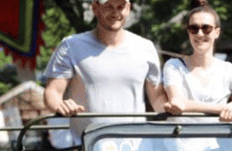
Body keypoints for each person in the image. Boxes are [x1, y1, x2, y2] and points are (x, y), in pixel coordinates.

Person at [43, 0, 166, 142]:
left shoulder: (146, 48)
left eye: (121, 6)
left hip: (136, 150)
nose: (115, 12)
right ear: (95, 8)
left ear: (128, 9)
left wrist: (178, 105)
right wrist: (60, 105)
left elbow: (157, 98)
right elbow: (52, 92)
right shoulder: (70, 46)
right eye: (108, 6)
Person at [162, 4, 232, 121]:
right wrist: (225, 108)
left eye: (206, 28)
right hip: (182, 138)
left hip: (217, 138)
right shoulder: (174, 66)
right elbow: (179, 102)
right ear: (188, 33)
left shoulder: (228, 69)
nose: (200, 34)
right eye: (194, 29)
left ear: (217, 32)